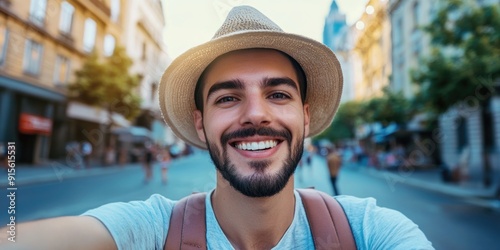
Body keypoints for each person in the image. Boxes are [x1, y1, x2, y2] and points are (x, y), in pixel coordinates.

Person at [0, 6, 434, 249]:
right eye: (227, 98)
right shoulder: (149, 231)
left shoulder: (371, 231)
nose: (255, 114)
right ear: (200, 123)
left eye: (278, 94)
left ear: (305, 115)